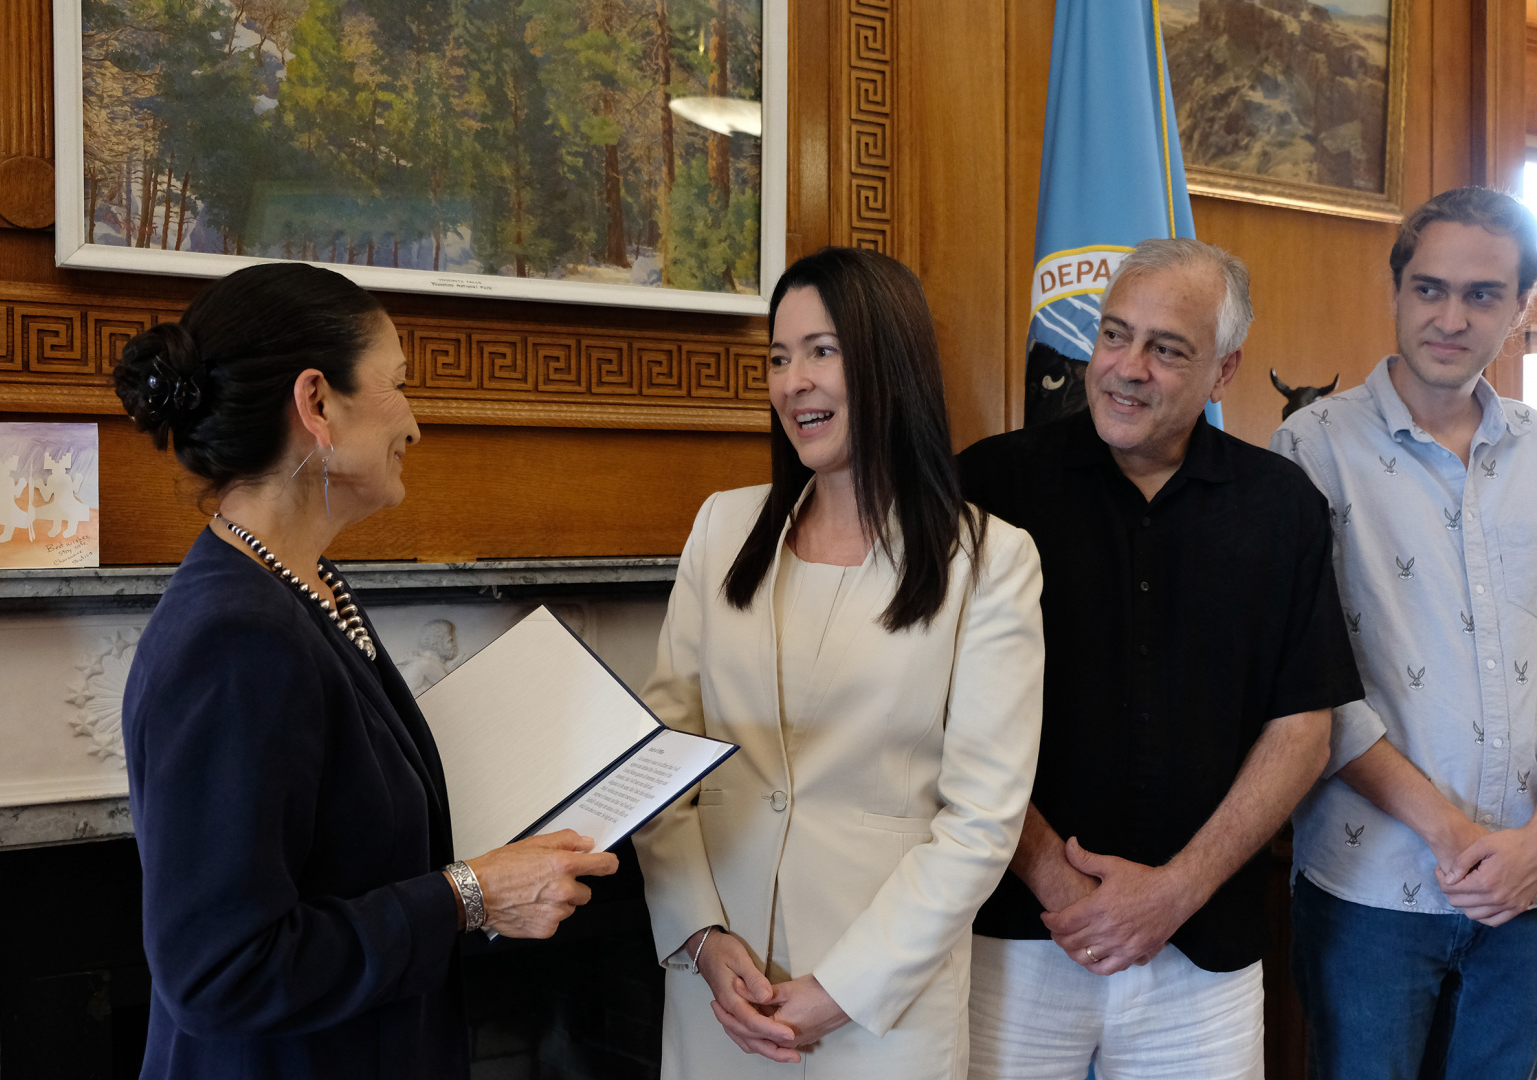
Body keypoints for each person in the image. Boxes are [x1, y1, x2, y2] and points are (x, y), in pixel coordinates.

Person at [113, 262, 619, 1080]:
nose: (414, 424)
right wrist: (468, 896)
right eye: (398, 385)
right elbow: (219, 974)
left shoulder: (299, 584)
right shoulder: (235, 637)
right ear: (316, 403)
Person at [957, 237, 1365, 1080]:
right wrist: (1058, 885)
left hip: (1201, 952)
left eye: (1165, 348)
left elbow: (1302, 731)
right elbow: (934, 707)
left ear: (1222, 372)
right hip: (1016, 935)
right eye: (1114, 335)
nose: (1126, 367)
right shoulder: (992, 486)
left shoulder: (1281, 506)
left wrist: (1172, 893)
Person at [633, 246, 1045, 1078]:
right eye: (779, 359)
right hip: (722, 997)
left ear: (887, 363)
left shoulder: (989, 560)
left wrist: (844, 988)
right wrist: (700, 935)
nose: (793, 383)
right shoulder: (721, 529)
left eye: (821, 351)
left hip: (881, 1013)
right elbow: (659, 762)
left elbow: (981, 821)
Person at [1270, 186, 1537, 1079]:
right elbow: (1302, 681)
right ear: (1394, 290)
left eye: (1482, 294)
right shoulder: (1309, 449)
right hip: (1370, 889)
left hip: (1530, 889)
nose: (1450, 317)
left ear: (1522, 307)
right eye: (1428, 289)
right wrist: (1448, 831)